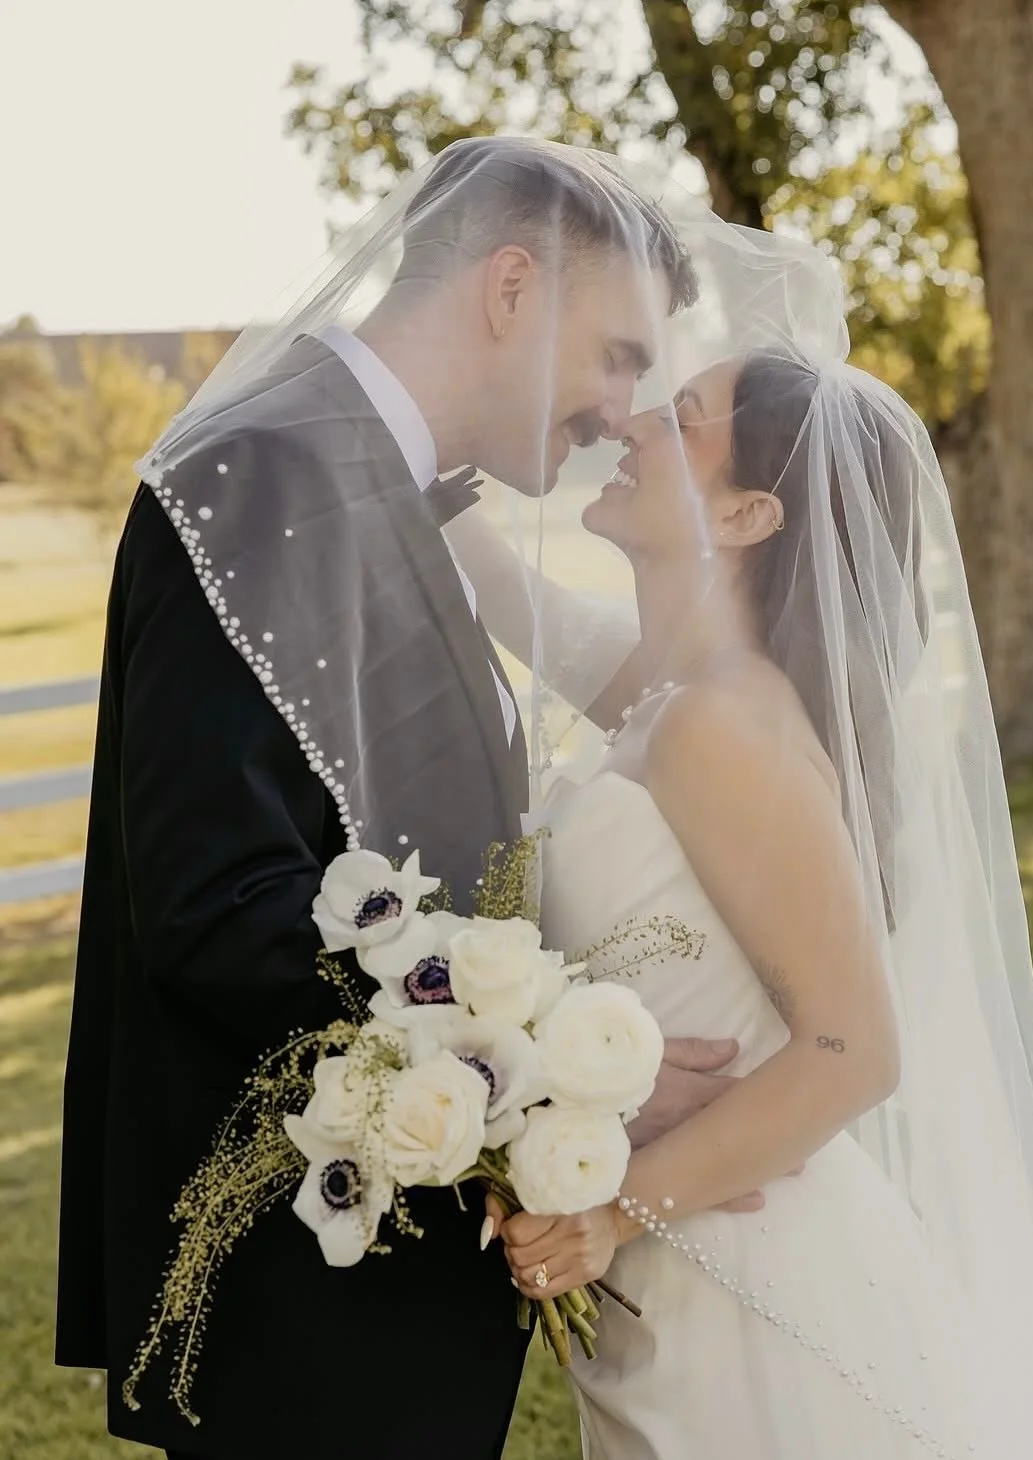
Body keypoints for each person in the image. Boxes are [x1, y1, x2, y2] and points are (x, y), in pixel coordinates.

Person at [54, 138, 738, 1460]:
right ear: (508, 290)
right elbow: (222, 907)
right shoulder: (266, 477)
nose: (616, 411)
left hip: (375, 1287)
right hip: (296, 1309)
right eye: (615, 356)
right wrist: (544, 1082)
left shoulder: (374, 483)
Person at [481, 345, 1033, 1457]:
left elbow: (854, 1048)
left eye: (682, 417)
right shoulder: (674, 691)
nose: (631, 424)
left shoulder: (720, 722)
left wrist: (613, 1209)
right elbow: (505, 592)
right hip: (680, 1278)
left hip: (756, 1286)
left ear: (748, 514)